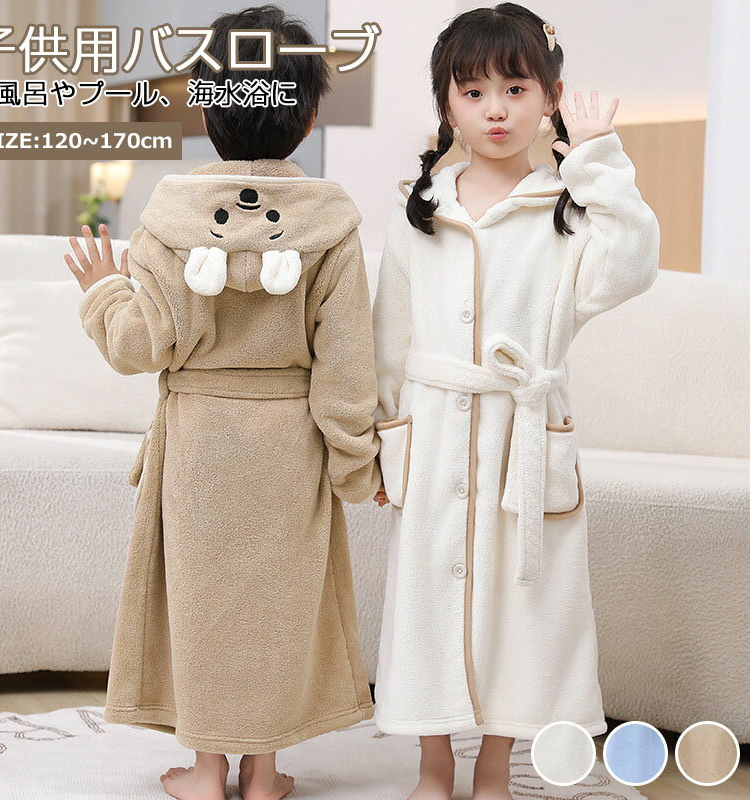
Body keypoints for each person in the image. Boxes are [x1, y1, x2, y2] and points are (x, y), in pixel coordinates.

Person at [63, 5, 381, 800]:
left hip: (199, 447)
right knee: (278, 604)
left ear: (207, 113)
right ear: (309, 118)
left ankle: (205, 770)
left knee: (201, 603)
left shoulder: (168, 217)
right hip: (291, 450)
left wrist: (103, 290)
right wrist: (356, 469)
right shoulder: (332, 224)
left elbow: (138, 345)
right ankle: (263, 771)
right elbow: (348, 372)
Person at [370, 4, 660, 799]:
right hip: (433, 434)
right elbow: (388, 336)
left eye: (515, 88)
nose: (495, 110)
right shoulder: (419, 209)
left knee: (524, 612)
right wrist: (386, 443)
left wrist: (598, 157)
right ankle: (434, 764)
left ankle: (495, 764)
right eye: (472, 92)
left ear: (549, 97)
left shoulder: (568, 208)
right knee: (427, 603)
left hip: (524, 438)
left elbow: (633, 264)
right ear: (447, 105)